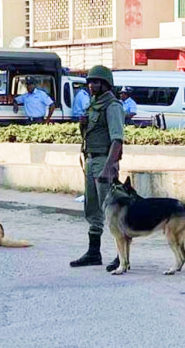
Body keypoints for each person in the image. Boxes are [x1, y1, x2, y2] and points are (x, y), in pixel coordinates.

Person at [70, 65, 126, 269]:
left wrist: (107, 168)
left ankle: (122, 256)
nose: (91, 85)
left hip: (104, 160)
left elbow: (117, 140)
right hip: (91, 159)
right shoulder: (94, 104)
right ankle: (94, 252)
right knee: (92, 208)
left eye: (96, 82)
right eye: (90, 82)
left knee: (111, 211)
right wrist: (83, 124)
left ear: (105, 84)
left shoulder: (112, 106)